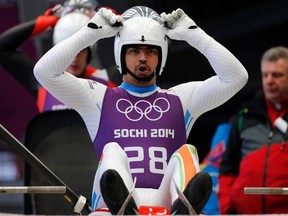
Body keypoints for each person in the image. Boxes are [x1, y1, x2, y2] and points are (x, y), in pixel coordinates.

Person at [33, 5, 248, 215]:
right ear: (121, 55)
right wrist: (89, 34)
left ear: (161, 56)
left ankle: (184, 210)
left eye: (151, 51)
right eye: (134, 50)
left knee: (187, 152)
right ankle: (126, 209)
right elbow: (44, 72)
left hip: (167, 205)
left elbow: (236, 77)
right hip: (111, 209)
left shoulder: (182, 99)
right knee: (112, 151)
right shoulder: (97, 97)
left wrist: (195, 35)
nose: (143, 57)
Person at [0, 0, 119, 113]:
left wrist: (117, 21)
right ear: (57, 51)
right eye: (69, 51)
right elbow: (2, 47)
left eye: (81, 50)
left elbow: (136, 46)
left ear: (91, 52)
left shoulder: (109, 78)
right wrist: (49, 21)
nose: (74, 58)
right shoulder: (42, 80)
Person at [218, 46, 288, 214]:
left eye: (277, 75)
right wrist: (228, 208)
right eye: (265, 75)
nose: (269, 80)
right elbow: (227, 170)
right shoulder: (244, 117)